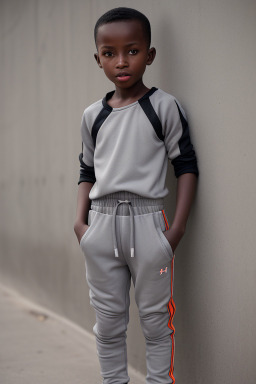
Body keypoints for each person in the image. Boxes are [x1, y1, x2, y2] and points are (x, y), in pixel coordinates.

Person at [74, 7, 198, 384]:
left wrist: (174, 231)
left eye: (132, 50)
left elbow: (186, 166)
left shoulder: (163, 107)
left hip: (149, 227)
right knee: (108, 324)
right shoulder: (92, 116)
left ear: (150, 54)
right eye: (109, 53)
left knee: (156, 322)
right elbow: (87, 171)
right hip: (101, 226)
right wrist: (81, 225)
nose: (121, 61)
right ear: (98, 60)